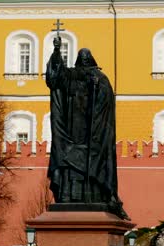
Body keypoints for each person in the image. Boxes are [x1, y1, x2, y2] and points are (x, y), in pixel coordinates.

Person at [46, 36, 129, 220]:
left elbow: (106, 102)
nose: (83, 62)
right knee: (70, 162)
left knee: (93, 162)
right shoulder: (71, 75)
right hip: (71, 130)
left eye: (86, 59)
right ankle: (68, 196)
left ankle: (95, 195)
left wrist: (97, 90)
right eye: (81, 59)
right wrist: (57, 52)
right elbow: (55, 78)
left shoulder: (100, 78)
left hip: (93, 132)